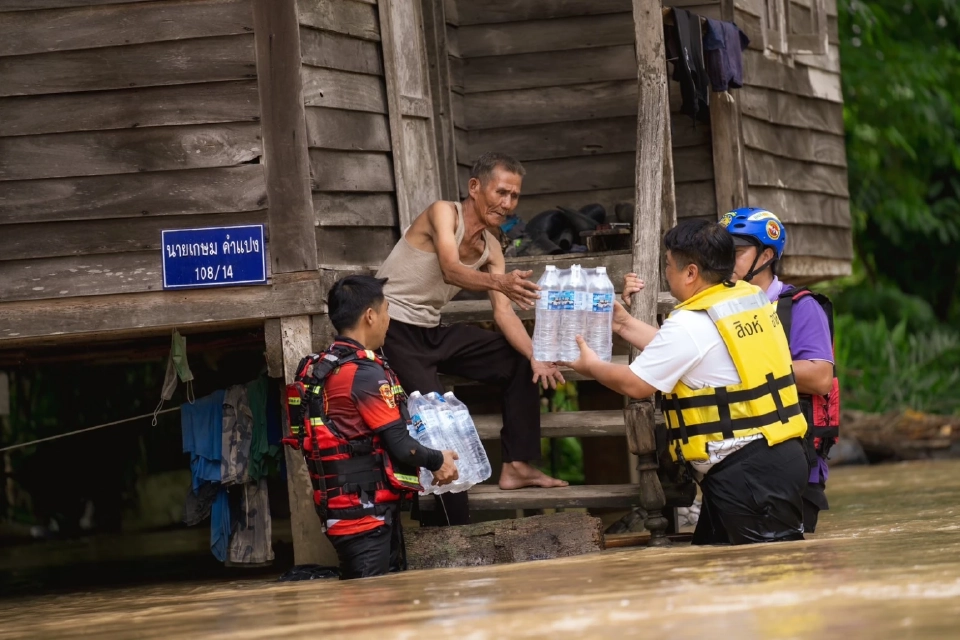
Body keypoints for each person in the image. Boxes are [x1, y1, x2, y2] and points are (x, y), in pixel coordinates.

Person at [563, 218, 809, 545]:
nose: (666, 273)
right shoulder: (746, 299)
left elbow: (637, 384)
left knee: (763, 568)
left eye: (668, 265)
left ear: (691, 272)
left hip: (748, 472)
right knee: (719, 561)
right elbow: (691, 351)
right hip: (773, 457)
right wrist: (623, 325)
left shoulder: (691, 323)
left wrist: (591, 366)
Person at [375, 151, 567, 526]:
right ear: (475, 187)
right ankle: (454, 529)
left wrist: (536, 355)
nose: (507, 203)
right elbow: (450, 270)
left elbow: (503, 313)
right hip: (392, 329)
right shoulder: (443, 213)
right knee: (439, 423)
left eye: (514, 196)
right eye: (501, 192)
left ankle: (516, 465)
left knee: (518, 359)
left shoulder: (492, 247)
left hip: (430, 332)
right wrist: (500, 281)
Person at [295, 275, 460, 579]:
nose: (388, 320)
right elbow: (400, 445)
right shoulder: (363, 374)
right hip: (364, 517)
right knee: (369, 601)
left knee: (380, 600)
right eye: (386, 311)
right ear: (370, 316)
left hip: (350, 511)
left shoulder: (325, 366)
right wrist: (438, 460)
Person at [720, 208, 838, 533]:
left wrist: (750, 362)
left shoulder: (801, 307)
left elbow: (820, 377)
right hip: (734, 464)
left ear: (766, 255)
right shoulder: (717, 306)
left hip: (794, 463)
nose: (724, 261)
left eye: (736, 252)